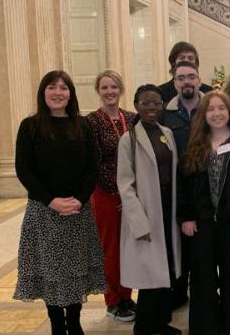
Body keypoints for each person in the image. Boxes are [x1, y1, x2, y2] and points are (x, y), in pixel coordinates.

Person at [14, 70, 105, 335]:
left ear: (71, 94)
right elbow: (24, 169)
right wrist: (52, 201)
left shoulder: (82, 124)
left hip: (78, 210)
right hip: (44, 212)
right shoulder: (30, 126)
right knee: (50, 268)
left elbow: (92, 166)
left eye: (63, 88)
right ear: (43, 93)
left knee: (75, 268)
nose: (58, 92)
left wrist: (79, 199)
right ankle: (56, 322)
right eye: (52, 87)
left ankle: (74, 321)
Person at [179, 91, 230, 335]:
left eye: (221, 108)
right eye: (211, 109)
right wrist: (186, 216)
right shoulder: (195, 142)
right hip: (201, 224)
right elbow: (184, 184)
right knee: (203, 282)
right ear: (203, 115)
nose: (216, 113)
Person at [117, 85, 182, 335]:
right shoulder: (129, 139)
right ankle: (144, 326)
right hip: (147, 210)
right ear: (136, 105)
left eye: (156, 103)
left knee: (166, 267)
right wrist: (139, 222)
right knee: (149, 273)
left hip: (168, 207)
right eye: (146, 103)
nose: (152, 107)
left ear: (163, 104)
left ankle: (161, 322)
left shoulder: (167, 133)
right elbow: (125, 184)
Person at [86, 70, 137, 322]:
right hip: (105, 193)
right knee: (111, 247)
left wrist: (129, 192)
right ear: (98, 90)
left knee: (129, 246)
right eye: (105, 87)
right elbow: (93, 162)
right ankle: (113, 300)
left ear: (121, 90)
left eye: (114, 87)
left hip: (130, 192)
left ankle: (127, 295)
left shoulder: (131, 118)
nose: (110, 92)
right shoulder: (92, 121)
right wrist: (116, 192)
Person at [159, 60, 204, 308]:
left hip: (206, 189)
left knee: (204, 244)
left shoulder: (212, 108)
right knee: (180, 243)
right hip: (177, 190)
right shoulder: (166, 114)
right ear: (174, 82)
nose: (187, 81)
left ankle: (205, 290)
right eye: (181, 78)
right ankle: (178, 290)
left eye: (191, 76)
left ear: (198, 79)